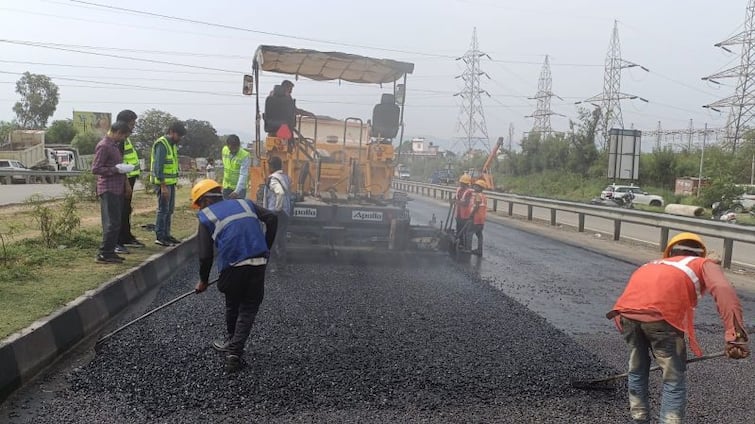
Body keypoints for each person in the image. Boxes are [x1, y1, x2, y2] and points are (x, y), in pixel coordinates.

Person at [606, 232, 750, 423]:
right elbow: (724, 291)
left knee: (637, 369)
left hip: (626, 316)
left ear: (670, 252)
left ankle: (639, 419)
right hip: (661, 319)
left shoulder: (653, 264)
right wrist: (735, 336)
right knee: (673, 378)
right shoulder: (703, 264)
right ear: (700, 254)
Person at [191, 179, 278, 372]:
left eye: (199, 205)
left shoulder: (206, 216)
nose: (200, 209)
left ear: (205, 201)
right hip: (258, 261)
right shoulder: (245, 203)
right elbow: (272, 218)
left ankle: (233, 348)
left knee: (233, 302)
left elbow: (205, 256)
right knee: (247, 308)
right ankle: (234, 349)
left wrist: (203, 281)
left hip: (233, 266)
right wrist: (266, 247)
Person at [91, 121, 133, 264]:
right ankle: (104, 253)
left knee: (116, 222)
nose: (123, 139)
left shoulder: (113, 146)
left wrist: (123, 172)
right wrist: (115, 170)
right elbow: (96, 169)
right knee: (111, 223)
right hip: (108, 188)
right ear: (118, 132)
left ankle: (109, 252)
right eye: (123, 136)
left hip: (117, 188)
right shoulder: (104, 146)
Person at [151, 121, 186, 247]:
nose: (180, 138)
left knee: (169, 210)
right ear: (171, 132)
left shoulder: (172, 145)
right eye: (179, 135)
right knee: (163, 210)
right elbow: (158, 166)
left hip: (170, 183)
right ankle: (160, 236)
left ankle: (167, 234)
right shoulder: (162, 144)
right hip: (163, 184)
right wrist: (163, 185)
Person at [115, 110, 145, 252]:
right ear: (125, 123)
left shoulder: (125, 138)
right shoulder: (118, 139)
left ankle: (126, 236)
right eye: (132, 123)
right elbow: (119, 162)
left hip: (129, 178)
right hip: (123, 180)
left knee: (126, 209)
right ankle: (118, 240)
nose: (134, 126)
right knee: (120, 211)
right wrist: (126, 182)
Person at [263, 156, 292, 265]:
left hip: (275, 213)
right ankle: (281, 265)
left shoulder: (273, 179)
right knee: (281, 239)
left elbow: (280, 192)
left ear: (271, 167)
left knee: (272, 238)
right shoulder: (286, 177)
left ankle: (271, 264)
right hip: (285, 212)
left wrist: (277, 209)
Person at [220, 135, 250, 200]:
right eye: (231, 148)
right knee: (226, 208)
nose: (233, 150)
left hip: (239, 189)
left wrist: (237, 191)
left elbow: (243, 174)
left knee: (238, 208)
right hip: (226, 186)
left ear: (238, 146)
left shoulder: (244, 155)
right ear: (228, 146)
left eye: (235, 148)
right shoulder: (224, 150)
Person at [454, 174, 474, 250]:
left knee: (464, 231)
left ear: (467, 184)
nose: (462, 184)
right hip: (458, 214)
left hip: (466, 215)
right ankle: (460, 243)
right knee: (458, 229)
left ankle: (465, 246)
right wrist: (453, 200)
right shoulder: (459, 189)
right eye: (461, 183)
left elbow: (466, 203)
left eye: (463, 183)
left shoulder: (468, 192)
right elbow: (456, 197)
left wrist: (457, 202)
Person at [468, 180, 488, 256]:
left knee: (469, 233)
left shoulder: (477, 195)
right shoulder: (484, 196)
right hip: (481, 218)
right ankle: (479, 250)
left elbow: (476, 206)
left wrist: (471, 215)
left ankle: (468, 248)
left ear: (480, 188)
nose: (474, 187)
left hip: (476, 218)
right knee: (479, 234)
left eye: (476, 186)